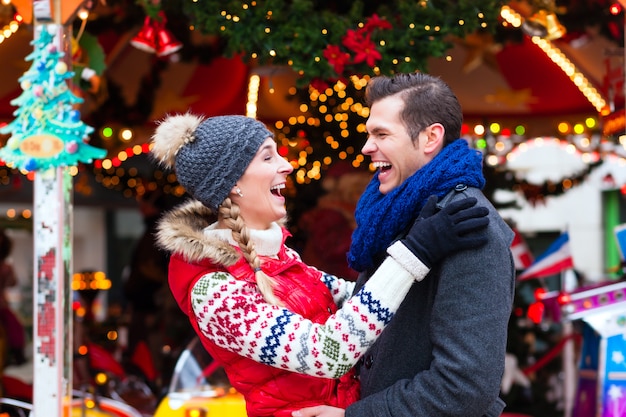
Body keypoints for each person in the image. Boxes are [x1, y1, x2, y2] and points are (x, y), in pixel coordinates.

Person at [150, 113, 491, 417]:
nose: (287, 165)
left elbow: (355, 297)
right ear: (233, 183)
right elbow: (330, 352)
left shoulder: (278, 256)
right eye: (269, 156)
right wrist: (414, 251)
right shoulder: (211, 287)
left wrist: (420, 243)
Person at [294, 72, 516, 417]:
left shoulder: (468, 224)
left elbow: (463, 387)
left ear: (430, 138)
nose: (367, 147)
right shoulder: (398, 214)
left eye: (381, 134)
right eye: (370, 134)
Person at [298, 163, 371, 280]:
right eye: (356, 190)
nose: (360, 195)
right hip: (327, 281)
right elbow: (329, 248)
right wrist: (362, 237)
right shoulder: (330, 213)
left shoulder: (353, 212)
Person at [0, 228, 26, 366]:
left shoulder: (5, 265)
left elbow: (12, 282)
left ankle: (17, 353)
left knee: (14, 326)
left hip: (2, 304)